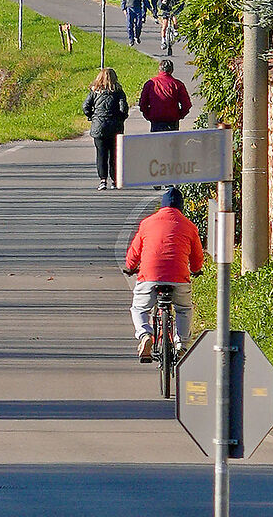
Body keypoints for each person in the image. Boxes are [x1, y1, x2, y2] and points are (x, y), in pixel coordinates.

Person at [123, 185, 203, 362]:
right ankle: (181, 345)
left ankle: (145, 335)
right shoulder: (190, 226)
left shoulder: (147, 223)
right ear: (181, 207)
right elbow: (197, 257)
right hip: (179, 277)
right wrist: (196, 270)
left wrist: (130, 267)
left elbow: (135, 252)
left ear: (162, 206)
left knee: (139, 307)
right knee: (183, 309)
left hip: (150, 276)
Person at [84, 65, 130, 189]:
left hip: (99, 127)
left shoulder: (95, 91)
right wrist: (121, 118)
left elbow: (86, 107)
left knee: (101, 154)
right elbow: (123, 108)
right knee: (115, 154)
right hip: (115, 127)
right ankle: (115, 180)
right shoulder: (118, 91)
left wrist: (92, 116)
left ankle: (103, 180)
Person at [138, 51, 193, 134]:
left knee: (157, 144)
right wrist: (179, 115)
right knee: (171, 145)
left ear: (159, 70)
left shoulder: (150, 83)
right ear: (172, 70)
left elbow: (143, 104)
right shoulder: (177, 84)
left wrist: (148, 115)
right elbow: (187, 105)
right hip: (172, 120)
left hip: (156, 120)